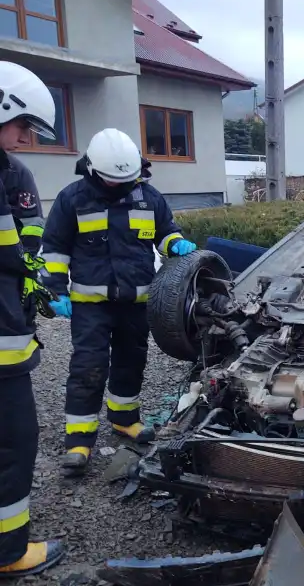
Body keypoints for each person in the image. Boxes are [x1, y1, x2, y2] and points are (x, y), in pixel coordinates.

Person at [41, 128, 198, 476]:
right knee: (88, 367)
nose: (123, 185)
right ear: (94, 171)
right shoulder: (72, 200)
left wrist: (176, 245)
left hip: (135, 303)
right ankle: (79, 441)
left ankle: (125, 419)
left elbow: (166, 232)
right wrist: (56, 291)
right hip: (90, 306)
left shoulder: (148, 196)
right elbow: (53, 250)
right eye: (115, 180)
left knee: (131, 361)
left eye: (128, 179)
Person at [0, 60, 65, 577]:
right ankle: (8, 553)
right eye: (24, 125)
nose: (27, 139)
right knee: (13, 443)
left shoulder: (10, 173)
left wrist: (37, 289)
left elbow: (27, 248)